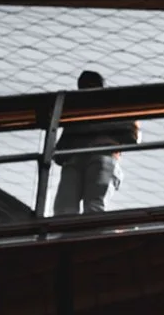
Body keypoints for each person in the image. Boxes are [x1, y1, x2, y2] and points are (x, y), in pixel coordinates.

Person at [56, 68, 137, 217]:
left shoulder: (112, 107)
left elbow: (132, 136)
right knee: (69, 210)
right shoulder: (78, 113)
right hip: (81, 158)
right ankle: (74, 236)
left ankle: (76, 236)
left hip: (99, 155)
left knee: (87, 207)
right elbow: (59, 153)